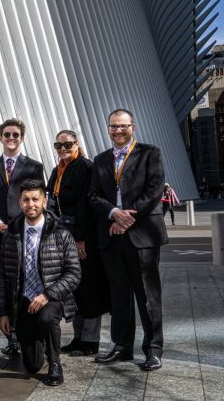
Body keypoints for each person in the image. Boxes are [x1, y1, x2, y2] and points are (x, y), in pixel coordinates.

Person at [90, 109, 168, 371]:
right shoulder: (100, 160)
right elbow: (93, 196)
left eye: (123, 126)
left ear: (132, 127)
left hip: (142, 235)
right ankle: (122, 346)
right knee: (119, 295)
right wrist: (114, 214)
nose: (118, 131)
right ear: (108, 129)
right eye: (113, 127)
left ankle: (153, 349)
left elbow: (155, 190)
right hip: (112, 237)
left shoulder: (150, 153)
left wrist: (126, 219)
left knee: (147, 295)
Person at [0, 179, 81, 387]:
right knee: (33, 365)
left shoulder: (61, 232)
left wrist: (47, 295)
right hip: (23, 299)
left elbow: (73, 273)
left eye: (35, 199)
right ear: (20, 202)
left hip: (51, 296)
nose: (30, 204)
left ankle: (55, 364)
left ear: (45, 201)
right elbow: (2, 275)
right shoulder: (11, 233)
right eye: (26, 200)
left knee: (47, 318)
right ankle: (40, 342)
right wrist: (2, 313)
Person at [0, 118, 44, 352]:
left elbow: (37, 199)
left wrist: (19, 223)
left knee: (23, 282)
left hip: (23, 234)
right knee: (0, 283)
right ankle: (8, 335)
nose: (11, 139)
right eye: (7, 135)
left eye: (16, 135)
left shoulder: (34, 166)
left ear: (22, 138)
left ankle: (25, 332)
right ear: (0, 138)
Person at [47, 131, 109, 357]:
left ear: (77, 144)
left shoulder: (85, 167)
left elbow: (86, 205)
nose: (63, 148)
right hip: (63, 232)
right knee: (74, 287)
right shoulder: (58, 169)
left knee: (88, 285)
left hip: (81, 234)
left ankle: (90, 340)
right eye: (58, 144)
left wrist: (82, 239)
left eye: (67, 144)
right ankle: (78, 337)